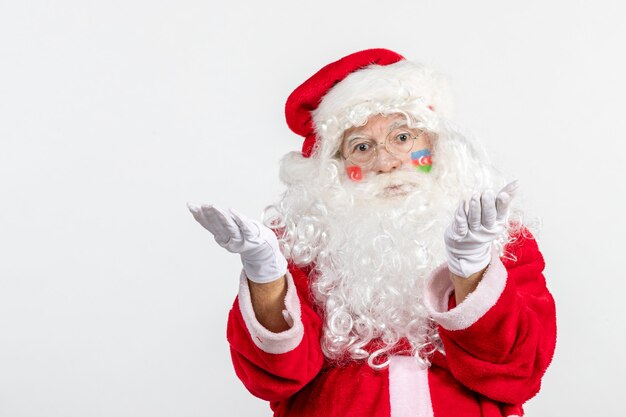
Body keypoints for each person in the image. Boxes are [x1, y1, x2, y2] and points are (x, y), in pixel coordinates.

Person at [188, 48, 556, 417]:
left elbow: (520, 372)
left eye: (402, 137)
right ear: (335, 167)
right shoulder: (304, 243)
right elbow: (275, 378)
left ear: (434, 142)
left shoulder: (499, 237)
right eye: (361, 147)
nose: (386, 161)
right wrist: (266, 277)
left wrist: (471, 270)